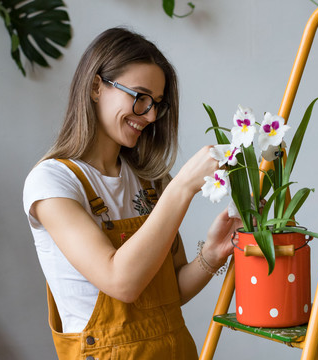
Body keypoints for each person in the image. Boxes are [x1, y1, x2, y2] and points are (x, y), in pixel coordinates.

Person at [23, 27, 240, 359]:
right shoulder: (52, 183)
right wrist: (183, 187)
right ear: (96, 86)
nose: (150, 115)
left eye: (156, 104)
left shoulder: (148, 181)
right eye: (139, 97)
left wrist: (211, 255)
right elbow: (121, 282)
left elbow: (171, 292)